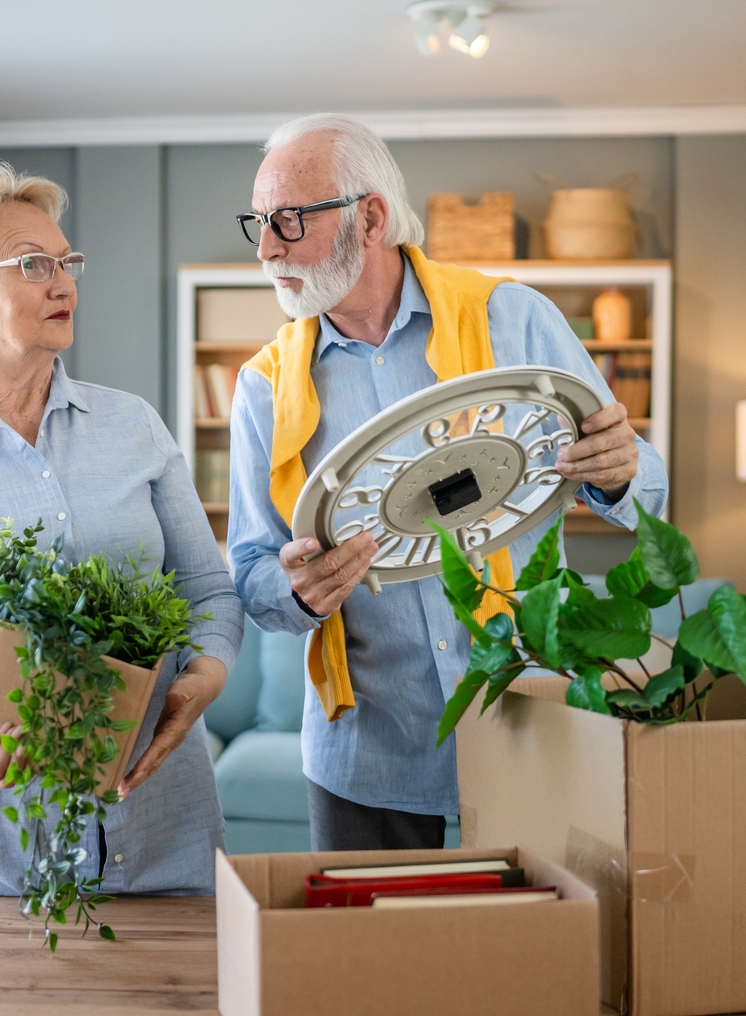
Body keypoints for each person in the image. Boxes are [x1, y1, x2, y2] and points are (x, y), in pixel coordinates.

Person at [227, 114, 668, 852]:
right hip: (364, 756)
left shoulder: (514, 319)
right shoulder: (263, 389)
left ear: (370, 217)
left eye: (290, 221)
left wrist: (621, 472)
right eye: (260, 224)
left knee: (540, 959)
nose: (268, 249)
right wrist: (297, 590)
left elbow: (641, 493)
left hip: (533, 720)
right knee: (377, 966)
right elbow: (249, 570)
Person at [0, 162, 244, 895]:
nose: (64, 283)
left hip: (159, 828)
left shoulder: (133, 426)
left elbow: (206, 588)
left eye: (68, 262)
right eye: (34, 265)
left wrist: (204, 676)